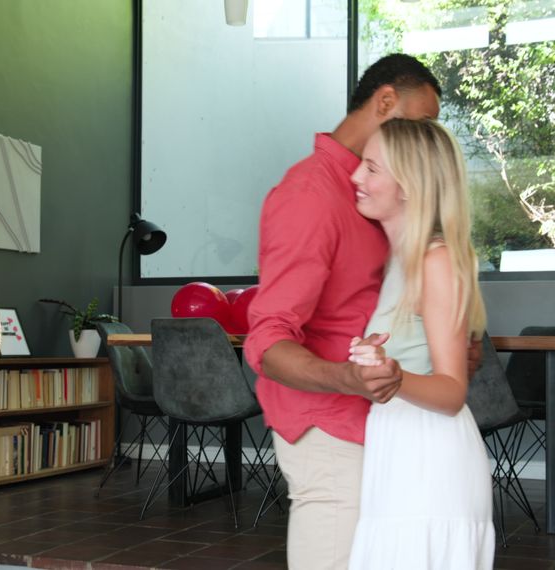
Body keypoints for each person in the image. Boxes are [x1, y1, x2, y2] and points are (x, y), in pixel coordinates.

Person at [243, 54, 450, 569]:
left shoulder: (377, 197)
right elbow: (267, 340)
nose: (428, 141)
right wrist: (347, 378)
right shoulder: (311, 194)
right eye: (422, 124)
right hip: (329, 428)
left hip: (380, 423)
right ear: (385, 103)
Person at [346, 118, 494, 569]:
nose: (356, 177)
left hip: (430, 456)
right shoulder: (401, 262)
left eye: (372, 168)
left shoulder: (436, 260)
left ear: (408, 186)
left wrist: (393, 375)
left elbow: (451, 392)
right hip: (399, 446)